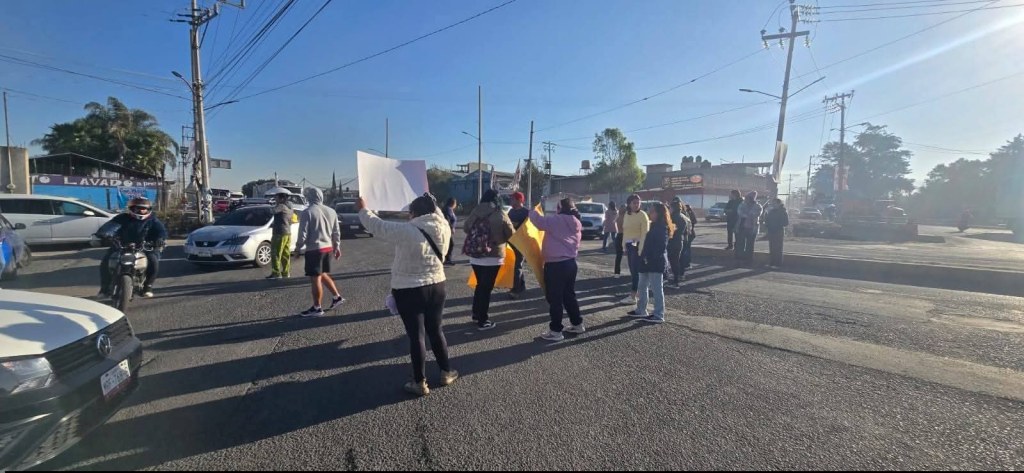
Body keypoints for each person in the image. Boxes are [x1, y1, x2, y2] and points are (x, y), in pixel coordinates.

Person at [357, 193, 457, 396]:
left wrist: (362, 209)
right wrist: (432, 200)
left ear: (414, 213)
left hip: (409, 289)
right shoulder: (444, 226)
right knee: (436, 330)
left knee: (416, 336)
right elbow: (434, 211)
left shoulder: (407, 231)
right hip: (437, 285)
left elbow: (377, 226)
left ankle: (419, 382)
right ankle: (446, 371)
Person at [530, 198, 584, 341]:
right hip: (571, 264)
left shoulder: (557, 220)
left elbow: (538, 222)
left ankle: (556, 331)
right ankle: (577, 323)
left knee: (555, 299)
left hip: (555, 265)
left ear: (560, 209)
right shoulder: (576, 221)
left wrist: (532, 209)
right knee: (569, 296)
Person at [463, 189, 514, 330]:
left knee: (480, 286)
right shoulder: (500, 213)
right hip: (493, 257)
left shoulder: (476, 211)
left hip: (475, 256)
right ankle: (483, 320)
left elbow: (466, 228)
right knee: (486, 288)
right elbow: (510, 234)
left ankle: (475, 314)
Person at [97, 197, 167, 298]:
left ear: (149, 209)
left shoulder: (152, 220)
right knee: (106, 262)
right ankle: (104, 288)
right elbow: (111, 226)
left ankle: (148, 286)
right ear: (131, 208)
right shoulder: (122, 218)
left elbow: (161, 231)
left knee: (153, 261)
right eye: (138, 208)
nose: (141, 211)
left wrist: (160, 239)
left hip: (145, 246)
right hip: (121, 245)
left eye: (144, 209)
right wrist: (104, 233)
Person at [294, 187, 344, 317]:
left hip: (314, 249)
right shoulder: (331, 211)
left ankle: (317, 307)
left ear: (309, 197)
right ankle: (336, 297)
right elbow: (336, 231)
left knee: (315, 278)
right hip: (327, 248)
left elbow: (302, 235)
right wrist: (337, 247)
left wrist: (298, 248)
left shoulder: (307, 212)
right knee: (321, 274)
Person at [628, 202, 673, 324]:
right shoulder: (652, 225)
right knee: (642, 287)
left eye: (652, 211)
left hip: (655, 262)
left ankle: (659, 314)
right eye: (650, 211)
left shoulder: (661, 227)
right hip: (646, 261)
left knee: (657, 289)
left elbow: (660, 247)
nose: (650, 213)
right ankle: (641, 310)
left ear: (659, 213)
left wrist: (648, 257)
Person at [619, 194, 650, 305]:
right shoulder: (627, 215)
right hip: (629, 246)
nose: (637, 205)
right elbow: (625, 232)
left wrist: (640, 250)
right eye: (634, 203)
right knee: (633, 271)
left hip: (637, 246)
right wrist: (624, 247)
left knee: (636, 272)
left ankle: (633, 296)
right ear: (629, 204)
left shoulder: (643, 215)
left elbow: (645, 234)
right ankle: (636, 294)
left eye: (638, 203)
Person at [267, 189, 295, 280]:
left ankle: (276, 273)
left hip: (279, 233)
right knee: (285, 254)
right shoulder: (290, 206)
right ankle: (286, 273)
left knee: (276, 253)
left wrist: (271, 205)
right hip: (287, 233)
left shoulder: (281, 206)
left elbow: (272, 211)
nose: (275, 199)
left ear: (281, 198)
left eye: (276, 197)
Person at [506, 192, 530, 299]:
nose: (510, 201)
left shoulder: (526, 212)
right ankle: (521, 286)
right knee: (514, 266)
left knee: (517, 266)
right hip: (511, 243)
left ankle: (516, 290)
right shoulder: (510, 212)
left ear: (519, 200)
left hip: (521, 244)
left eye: (512, 199)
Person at [667, 201, 691, 287]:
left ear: (673, 208)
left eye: (670, 208)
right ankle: (676, 280)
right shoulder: (683, 217)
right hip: (680, 241)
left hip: (672, 241)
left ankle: (675, 281)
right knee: (676, 261)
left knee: (673, 261)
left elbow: (670, 230)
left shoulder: (672, 217)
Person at [735, 191, 763, 264]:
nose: (746, 199)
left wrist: (749, 214)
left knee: (750, 244)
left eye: (748, 198)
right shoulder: (742, 204)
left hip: (753, 227)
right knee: (741, 243)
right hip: (742, 226)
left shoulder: (758, 206)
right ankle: (741, 257)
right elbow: (739, 212)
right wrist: (747, 215)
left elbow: (757, 214)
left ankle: (749, 258)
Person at [765, 198, 790, 269]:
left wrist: (777, 224)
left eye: (774, 203)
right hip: (771, 231)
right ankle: (772, 263)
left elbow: (786, 223)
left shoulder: (783, 211)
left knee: (778, 249)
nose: (773, 204)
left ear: (779, 203)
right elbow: (767, 220)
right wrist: (767, 225)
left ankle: (778, 264)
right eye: (772, 203)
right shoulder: (771, 211)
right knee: (772, 248)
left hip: (778, 231)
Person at [443, 198, 458, 265]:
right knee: (450, 244)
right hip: (447, 230)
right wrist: (451, 228)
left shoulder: (450, 209)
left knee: (449, 244)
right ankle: (447, 259)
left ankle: (447, 259)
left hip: (448, 230)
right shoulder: (447, 209)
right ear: (453, 203)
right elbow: (447, 219)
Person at [683, 203, 698, 269]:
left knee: (686, 249)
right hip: (691, 233)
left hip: (689, 234)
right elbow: (695, 221)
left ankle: (687, 264)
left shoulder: (687, 214)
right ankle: (687, 263)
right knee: (687, 248)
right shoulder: (690, 213)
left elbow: (693, 222)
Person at [613, 208, 626, 275]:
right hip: (626, 236)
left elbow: (613, 222)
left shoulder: (618, 217)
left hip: (618, 236)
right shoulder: (626, 218)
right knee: (631, 255)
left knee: (618, 256)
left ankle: (617, 273)